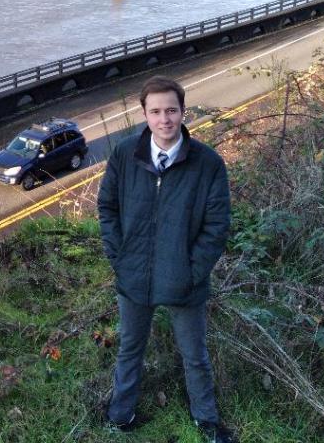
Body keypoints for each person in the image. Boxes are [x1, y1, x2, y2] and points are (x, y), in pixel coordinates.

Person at [97, 75, 235, 442]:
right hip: (134, 275)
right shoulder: (125, 154)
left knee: (195, 354)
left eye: (171, 110)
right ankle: (120, 415)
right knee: (130, 348)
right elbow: (107, 207)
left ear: (183, 112)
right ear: (144, 114)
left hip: (183, 279)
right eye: (155, 111)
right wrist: (120, 257)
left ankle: (206, 421)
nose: (164, 120)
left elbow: (217, 225)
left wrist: (193, 270)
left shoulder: (207, 164)